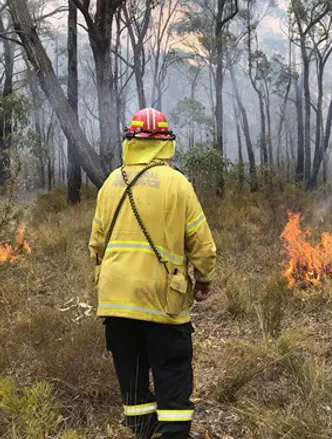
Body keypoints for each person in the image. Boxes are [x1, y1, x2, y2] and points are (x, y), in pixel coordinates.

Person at [89, 108, 217, 439]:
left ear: (130, 141)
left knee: (132, 384)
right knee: (171, 373)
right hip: (162, 302)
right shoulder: (178, 184)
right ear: (165, 143)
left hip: (116, 302)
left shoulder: (110, 183)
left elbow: (96, 246)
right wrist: (203, 279)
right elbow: (202, 245)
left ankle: (144, 433)